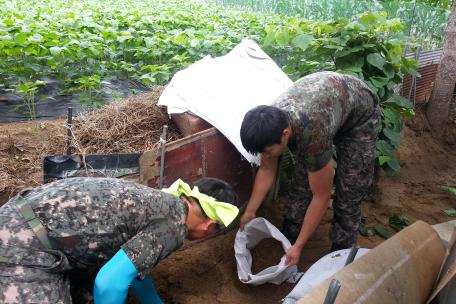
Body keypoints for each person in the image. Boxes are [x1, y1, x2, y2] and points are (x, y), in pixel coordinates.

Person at [0, 176, 240, 303]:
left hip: (22, 217)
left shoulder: (163, 203)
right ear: (210, 225)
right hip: (23, 245)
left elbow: (132, 268)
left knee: (87, 288)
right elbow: (108, 283)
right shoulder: (174, 225)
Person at [239, 71, 381, 266]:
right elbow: (266, 169)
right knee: (303, 177)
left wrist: (299, 246)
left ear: (285, 134)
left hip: (359, 117)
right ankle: (291, 227)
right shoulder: (269, 122)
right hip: (328, 106)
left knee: (350, 188)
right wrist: (250, 211)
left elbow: (321, 197)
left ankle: (341, 248)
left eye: (268, 151)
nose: (267, 155)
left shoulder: (313, 133)